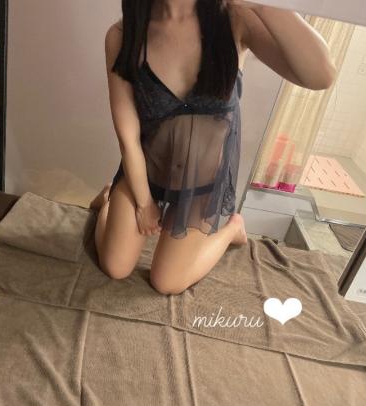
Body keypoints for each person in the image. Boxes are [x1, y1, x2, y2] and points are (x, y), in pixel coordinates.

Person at [89, 0, 336, 295]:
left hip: (200, 187)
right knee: (115, 267)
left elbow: (321, 76)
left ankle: (233, 228)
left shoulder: (235, 19)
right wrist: (143, 203)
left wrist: (266, 6)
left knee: (167, 283)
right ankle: (108, 199)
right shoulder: (122, 35)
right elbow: (128, 136)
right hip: (145, 173)